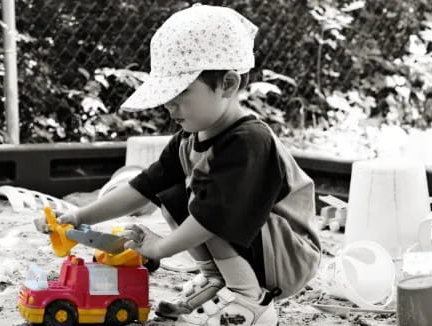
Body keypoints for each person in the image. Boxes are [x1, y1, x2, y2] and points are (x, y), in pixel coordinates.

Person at [35, 4, 320, 326]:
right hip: (255, 245)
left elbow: (214, 217)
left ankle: (249, 299)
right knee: (171, 188)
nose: (169, 105)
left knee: (209, 204)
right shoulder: (190, 137)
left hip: (288, 254)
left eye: (180, 92)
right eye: (166, 94)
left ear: (227, 84)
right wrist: (79, 216)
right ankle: (216, 281)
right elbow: (142, 187)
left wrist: (162, 248)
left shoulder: (249, 141)